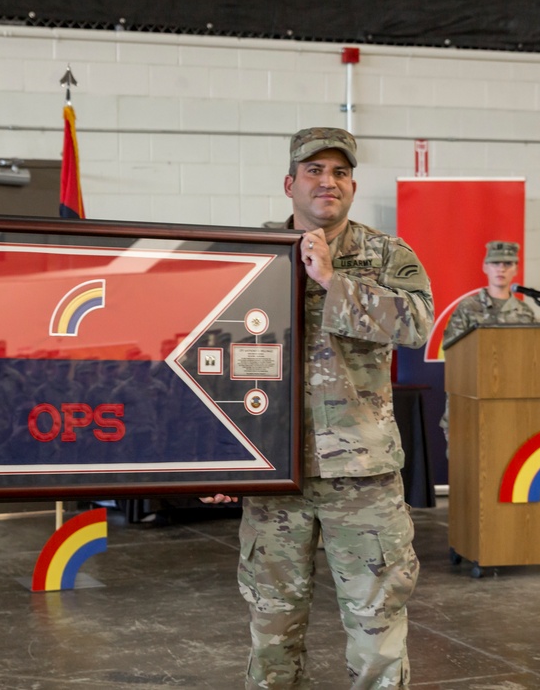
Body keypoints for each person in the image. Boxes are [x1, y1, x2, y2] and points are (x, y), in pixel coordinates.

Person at [204, 127, 434, 688]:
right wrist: (215, 456)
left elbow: (417, 325)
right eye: (314, 170)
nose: (327, 182)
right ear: (290, 183)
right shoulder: (249, 253)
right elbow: (208, 353)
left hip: (363, 478)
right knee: (272, 629)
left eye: (339, 172)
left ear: (352, 184)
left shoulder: (385, 255)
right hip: (273, 476)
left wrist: (333, 282)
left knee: (376, 631)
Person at [439, 241, 536, 448]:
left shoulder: (525, 313)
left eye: (507, 263)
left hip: (511, 401)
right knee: (467, 464)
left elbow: (532, 360)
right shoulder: (468, 308)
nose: (501, 268)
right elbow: (452, 353)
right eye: (495, 263)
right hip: (470, 400)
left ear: (516, 269)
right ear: (485, 267)